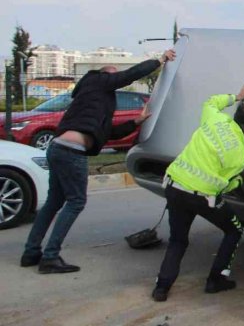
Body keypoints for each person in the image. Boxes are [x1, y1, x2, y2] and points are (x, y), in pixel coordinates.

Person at [21, 50, 175, 274]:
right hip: (71, 151)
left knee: (54, 202)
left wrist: (135, 122)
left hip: (58, 148)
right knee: (76, 201)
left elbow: (106, 133)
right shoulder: (96, 80)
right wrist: (159, 60)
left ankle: (31, 252)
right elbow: (129, 75)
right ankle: (50, 257)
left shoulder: (93, 100)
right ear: (104, 74)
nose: (116, 75)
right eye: (113, 72)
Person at [151, 80, 244, 302]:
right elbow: (225, 185)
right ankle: (216, 280)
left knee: (178, 240)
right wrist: (242, 180)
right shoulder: (240, 156)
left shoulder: (214, 118)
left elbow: (212, 101)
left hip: (175, 185)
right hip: (202, 197)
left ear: (236, 113)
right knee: (234, 230)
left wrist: (237, 95)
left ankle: (162, 287)